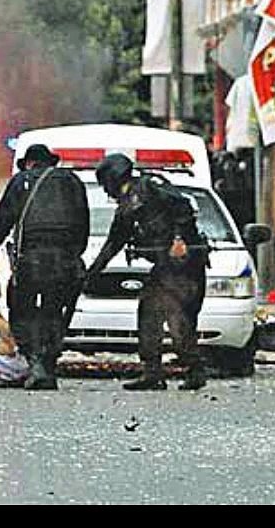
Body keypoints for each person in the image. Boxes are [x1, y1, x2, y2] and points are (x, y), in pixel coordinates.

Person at [89, 153, 210, 391]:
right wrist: (92, 273)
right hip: (165, 266)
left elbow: (183, 206)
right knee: (150, 313)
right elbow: (114, 242)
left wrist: (179, 238)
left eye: (105, 184)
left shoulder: (150, 186)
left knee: (177, 319)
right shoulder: (127, 207)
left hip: (184, 265)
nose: (106, 191)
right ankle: (154, 372)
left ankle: (193, 369)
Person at [0, 144, 89, 389]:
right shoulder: (72, 181)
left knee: (22, 310)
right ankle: (48, 363)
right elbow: (83, 222)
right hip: (64, 260)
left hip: (30, 259)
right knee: (54, 311)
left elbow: (4, 219)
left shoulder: (21, 181)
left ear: (29, 163)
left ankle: (35, 362)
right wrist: (74, 255)